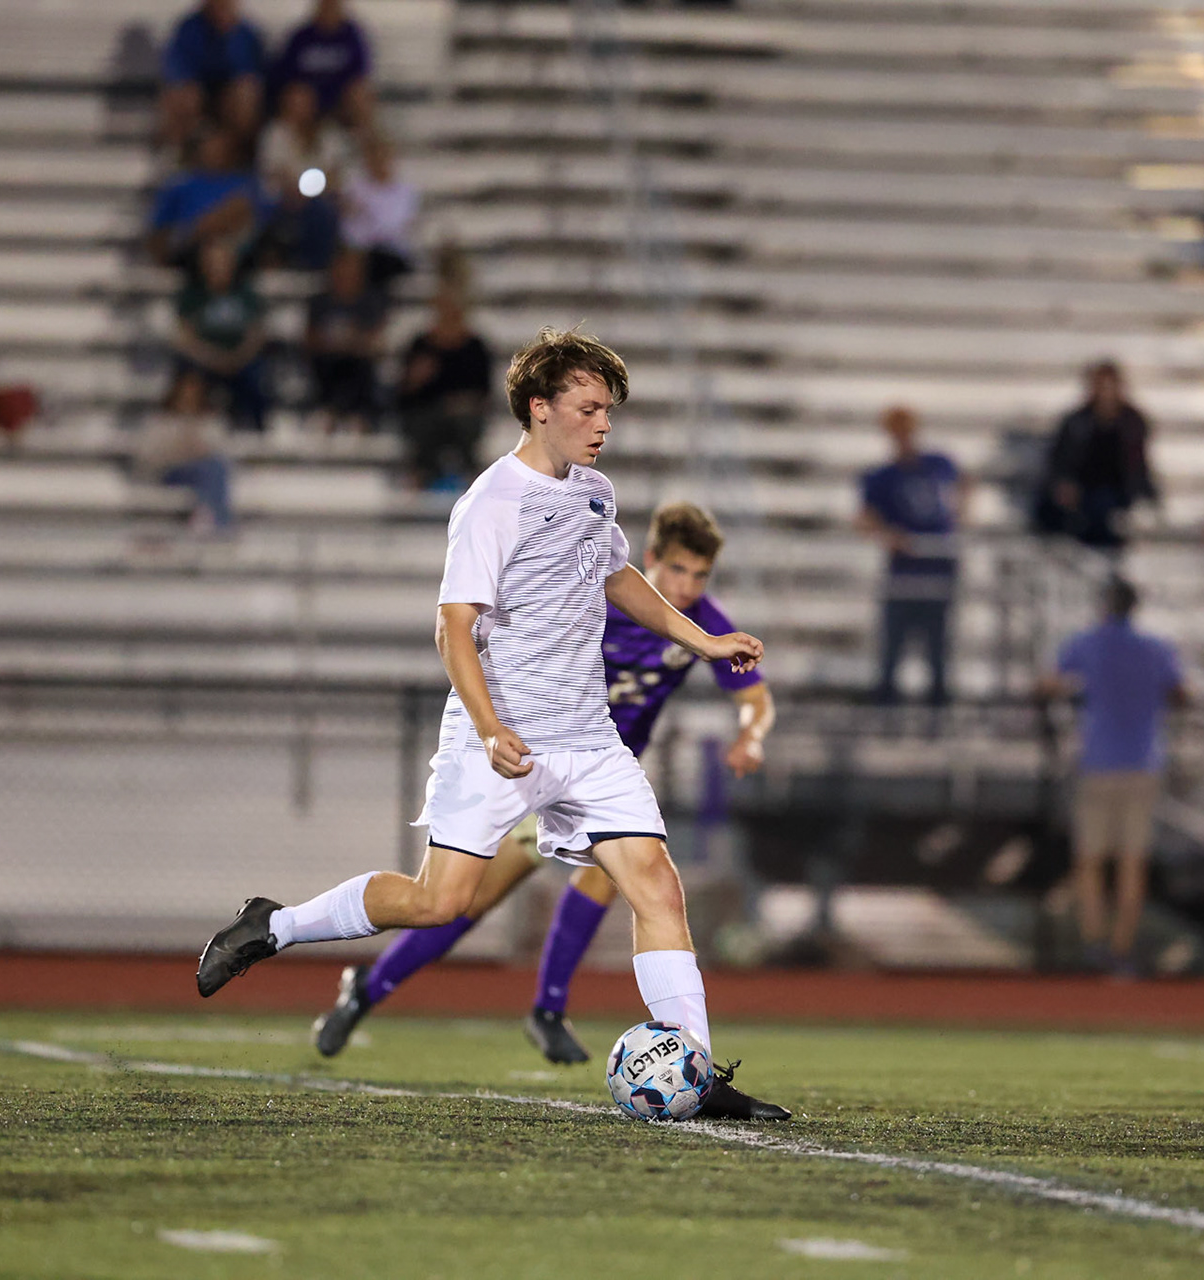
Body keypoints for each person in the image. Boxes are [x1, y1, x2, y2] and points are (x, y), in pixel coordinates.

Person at [195, 326, 789, 1120]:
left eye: (607, 409)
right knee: (440, 903)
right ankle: (277, 924)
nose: (603, 423)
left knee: (657, 889)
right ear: (539, 408)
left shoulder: (594, 491)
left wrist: (706, 641)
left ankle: (698, 1076)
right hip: (502, 738)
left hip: (587, 740)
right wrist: (486, 727)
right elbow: (452, 626)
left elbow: (618, 575)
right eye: (588, 407)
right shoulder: (493, 501)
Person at [312, 500, 776, 1065]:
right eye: (678, 570)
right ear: (650, 559)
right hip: (539, 766)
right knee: (462, 904)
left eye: (700, 576)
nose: (687, 587)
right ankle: (368, 990)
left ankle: (548, 1009)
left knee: (620, 878)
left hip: (601, 780)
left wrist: (750, 736)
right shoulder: (600, 600)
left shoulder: (701, 620)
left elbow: (754, 696)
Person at [1037, 577, 1188, 978]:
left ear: (1104, 605)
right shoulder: (1156, 648)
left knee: (1090, 860)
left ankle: (1093, 943)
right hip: (1142, 762)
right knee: (1131, 863)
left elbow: (1048, 683)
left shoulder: (1086, 643)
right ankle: (1121, 949)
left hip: (1099, 762)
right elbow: (1182, 693)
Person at [856, 405, 967, 707]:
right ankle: (887, 699)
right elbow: (864, 519)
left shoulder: (938, 464)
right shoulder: (882, 477)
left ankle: (938, 701)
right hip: (904, 568)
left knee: (938, 643)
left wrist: (960, 516)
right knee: (894, 641)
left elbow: (964, 484)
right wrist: (889, 536)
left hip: (939, 564)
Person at [1033, 360, 1160, 552]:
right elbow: (1059, 461)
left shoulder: (1132, 422)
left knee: (1103, 509)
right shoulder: (1076, 421)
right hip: (1081, 490)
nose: (1105, 393)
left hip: (1118, 492)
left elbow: (1137, 468)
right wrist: (1063, 484)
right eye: (1100, 387)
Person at [396, 291, 493, 490]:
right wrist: (415, 380)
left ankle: (469, 478)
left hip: (464, 413)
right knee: (424, 425)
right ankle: (421, 476)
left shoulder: (475, 347)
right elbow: (403, 395)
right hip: (426, 413)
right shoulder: (420, 345)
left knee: (464, 422)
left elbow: (484, 393)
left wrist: (459, 403)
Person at [175, 238, 269, 433]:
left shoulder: (246, 294)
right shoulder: (193, 295)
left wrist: (237, 358)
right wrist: (213, 358)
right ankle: (189, 430)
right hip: (205, 361)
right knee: (189, 377)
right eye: (212, 261)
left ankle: (256, 429)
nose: (218, 267)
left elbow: (257, 334)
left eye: (222, 261)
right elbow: (185, 337)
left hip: (240, 361)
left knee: (257, 377)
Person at [256, 80, 352, 270]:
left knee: (324, 210)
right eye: (294, 103)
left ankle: (318, 266)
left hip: (321, 202)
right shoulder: (275, 133)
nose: (299, 108)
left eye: (304, 102)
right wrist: (300, 190)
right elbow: (277, 173)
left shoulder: (329, 134)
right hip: (281, 203)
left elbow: (335, 174)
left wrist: (309, 192)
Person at [146, 127, 269, 269]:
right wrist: (202, 229)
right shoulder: (179, 185)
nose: (216, 152)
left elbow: (259, 223)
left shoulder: (245, 184)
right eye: (211, 147)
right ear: (200, 150)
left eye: (220, 147)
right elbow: (157, 233)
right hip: (189, 254)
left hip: (238, 255)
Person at [135, 369, 236, 534]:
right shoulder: (160, 421)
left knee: (214, 468)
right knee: (209, 470)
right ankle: (215, 520)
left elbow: (222, 452)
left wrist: (197, 446)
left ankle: (214, 520)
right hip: (170, 473)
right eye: (185, 393)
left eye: (194, 393)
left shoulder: (211, 422)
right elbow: (146, 456)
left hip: (203, 472)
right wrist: (180, 450)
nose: (189, 398)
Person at [159, 0, 266, 150]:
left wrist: (228, 35)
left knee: (246, 96)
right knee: (181, 97)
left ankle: (239, 155)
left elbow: (248, 73)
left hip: (229, 99)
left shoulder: (245, 34)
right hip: (198, 96)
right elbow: (177, 70)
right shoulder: (188, 29)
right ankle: (179, 155)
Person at [304, 249, 386, 432]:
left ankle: (358, 417)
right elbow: (309, 339)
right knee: (324, 364)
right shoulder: (319, 302)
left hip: (358, 362)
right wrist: (335, 341)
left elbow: (376, 340)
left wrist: (350, 340)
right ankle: (327, 412)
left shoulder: (371, 301)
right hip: (326, 361)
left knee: (361, 367)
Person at [270, 0, 375, 131]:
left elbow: (360, 74)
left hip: (340, 97)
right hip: (308, 97)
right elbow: (286, 76)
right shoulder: (301, 37)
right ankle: (294, 145)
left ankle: (367, 141)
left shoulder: (352, 36)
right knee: (297, 97)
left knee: (360, 94)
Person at [339, 131, 420, 293]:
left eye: (383, 155)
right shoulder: (354, 190)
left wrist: (369, 219)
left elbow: (397, 230)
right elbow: (350, 232)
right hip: (363, 257)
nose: (378, 161)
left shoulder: (406, 192)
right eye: (373, 155)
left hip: (393, 256)